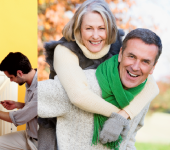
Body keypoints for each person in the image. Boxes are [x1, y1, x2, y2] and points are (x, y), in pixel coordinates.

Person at [41, 0, 159, 148]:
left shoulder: (118, 46)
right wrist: (118, 116)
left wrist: (123, 116)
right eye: (89, 28)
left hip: (100, 124)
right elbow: (79, 95)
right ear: (79, 29)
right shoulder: (64, 50)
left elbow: (151, 85)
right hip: (59, 120)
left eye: (101, 28)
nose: (96, 36)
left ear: (109, 29)